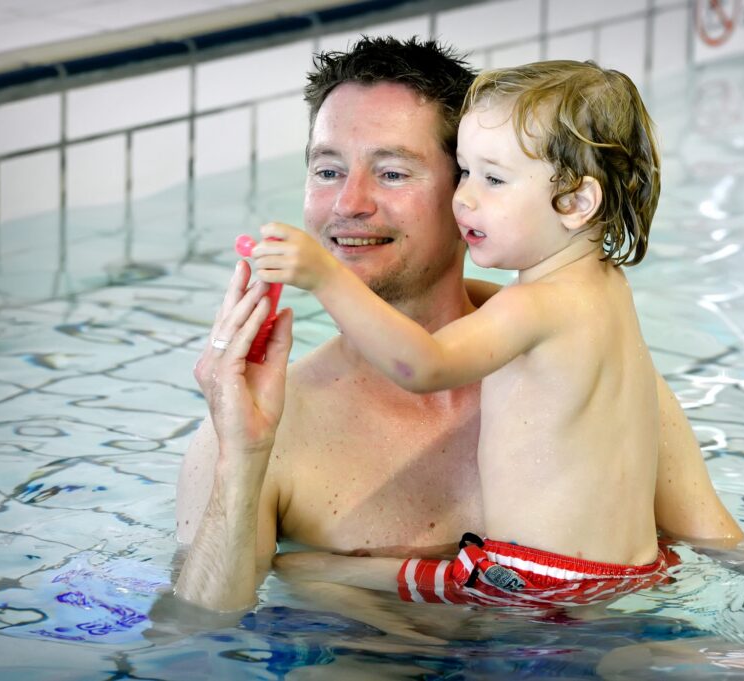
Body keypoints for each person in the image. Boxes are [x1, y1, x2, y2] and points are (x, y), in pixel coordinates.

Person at [172, 36, 744, 655]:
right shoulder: (262, 412)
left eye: (391, 172)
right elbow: (195, 632)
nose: (346, 203)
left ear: (470, 192)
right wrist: (245, 455)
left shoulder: (584, 369)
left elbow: (724, 546)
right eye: (327, 169)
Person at [251, 59, 674, 608]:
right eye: (465, 173)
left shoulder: (534, 306)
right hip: (636, 572)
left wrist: (325, 276)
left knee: (302, 571)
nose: (464, 199)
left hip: (537, 582)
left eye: (493, 179)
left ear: (575, 202)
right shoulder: (608, 293)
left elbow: (423, 366)